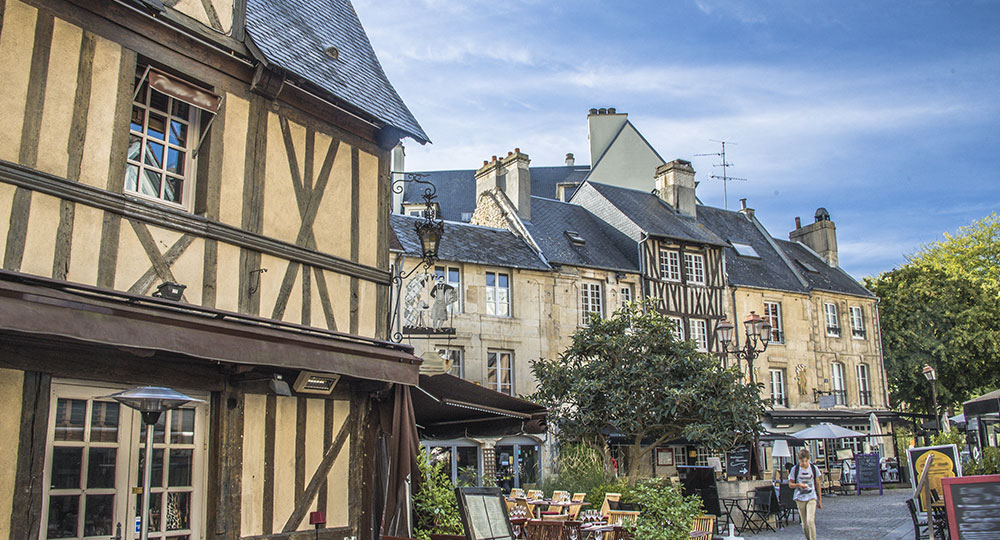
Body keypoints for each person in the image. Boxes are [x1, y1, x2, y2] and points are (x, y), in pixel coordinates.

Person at [788, 448, 822, 540]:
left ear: (809, 459)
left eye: (806, 461)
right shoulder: (795, 469)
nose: (804, 463)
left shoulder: (814, 468)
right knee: (804, 524)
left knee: (810, 521)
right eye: (802, 461)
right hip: (799, 497)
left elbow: (818, 484)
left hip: (811, 496)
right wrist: (798, 485)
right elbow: (790, 484)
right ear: (799, 460)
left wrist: (820, 500)